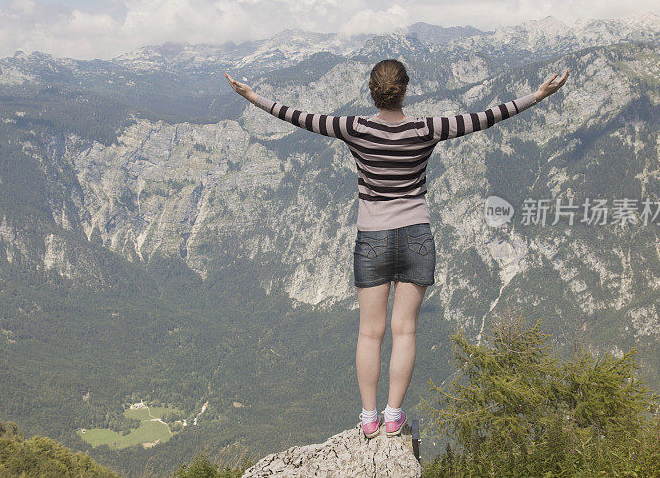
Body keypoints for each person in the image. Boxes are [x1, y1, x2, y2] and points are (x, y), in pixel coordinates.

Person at [225, 60, 569, 439]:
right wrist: (537, 96)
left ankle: (368, 417)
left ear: (372, 91)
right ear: (404, 90)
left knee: (370, 333)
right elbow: (486, 117)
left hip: (372, 238)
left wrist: (254, 97)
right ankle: (393, 417)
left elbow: (300, 117)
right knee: (404, 331)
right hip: (415, 236)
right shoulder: (427, 128)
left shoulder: (353, 128)